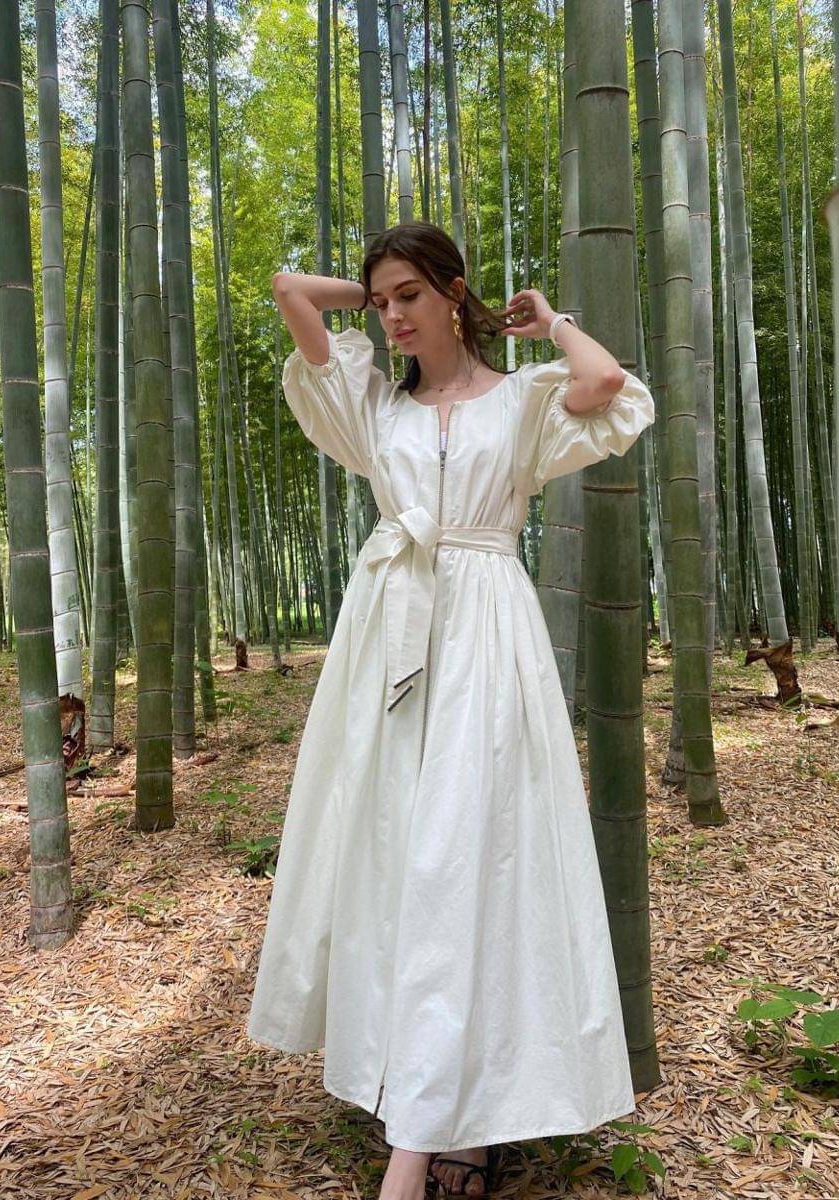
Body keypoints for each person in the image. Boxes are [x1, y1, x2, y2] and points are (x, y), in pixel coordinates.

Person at [247, 221, 655, 1200]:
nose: (392, 316)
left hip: (486, 638)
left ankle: (432, 1134)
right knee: (397, 856)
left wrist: (548, 321)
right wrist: (367, 291)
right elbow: (289, 288)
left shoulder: (520, 401)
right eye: (382, 299)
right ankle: (418, 1093)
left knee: (472, 860)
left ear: (454, 292)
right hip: (389, 633)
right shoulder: (370, 405)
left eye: (410, 296)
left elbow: (606, 385)